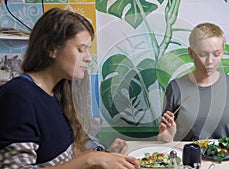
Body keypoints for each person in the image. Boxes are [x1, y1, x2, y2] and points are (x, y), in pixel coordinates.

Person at [0, 8, 139, 169]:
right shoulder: (17, 97)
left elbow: (65, 156)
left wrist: (107, 155)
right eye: (81, 49)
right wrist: (91, 159)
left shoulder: (56, 93)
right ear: (52, 49)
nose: (88, 58)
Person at [157, 22, 229, 152]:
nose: (210, 61)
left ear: (222, 52)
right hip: (188, 159)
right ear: (191, 53)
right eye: (202, 54)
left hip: (225, 158)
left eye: (216, 54)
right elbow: (166, 135)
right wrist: (167, 138)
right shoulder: (175, 87)